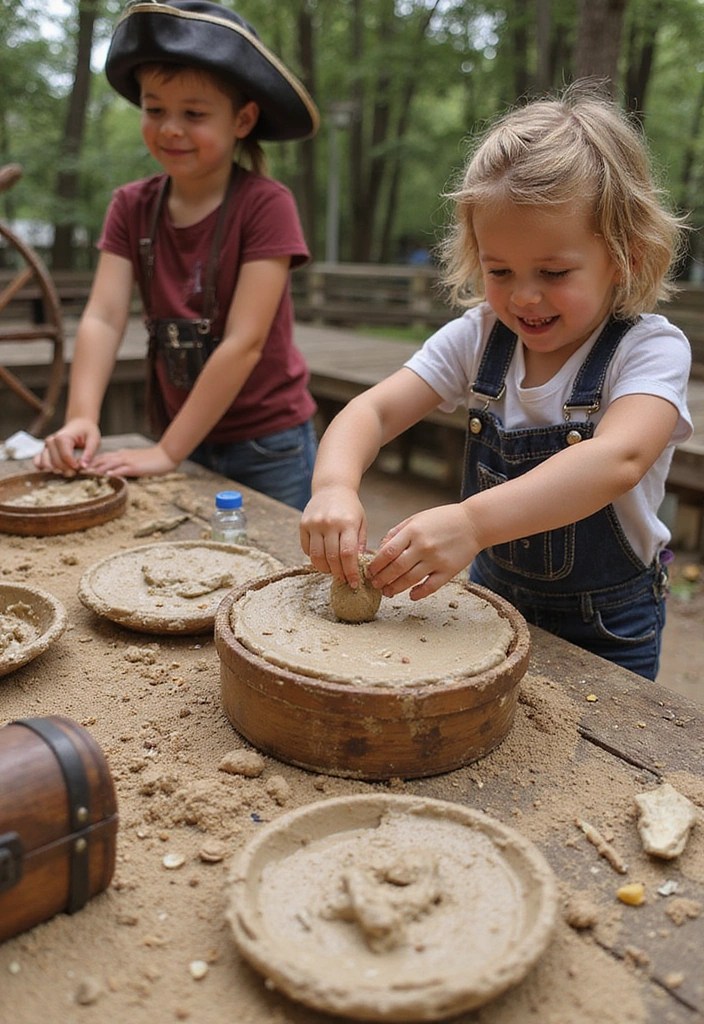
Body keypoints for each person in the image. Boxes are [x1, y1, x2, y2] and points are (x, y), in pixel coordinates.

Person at [300, 84, 693, 680]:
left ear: (627, 256)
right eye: (499, 270)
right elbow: (373, 413)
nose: (524, 295)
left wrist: (473, 522)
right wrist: (333, 485)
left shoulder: (648, 350)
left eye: (554, 271)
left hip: (608, 629)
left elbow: (619, 458)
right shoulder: (481, 337)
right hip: (491, 606)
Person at [35, 0, 319, 510]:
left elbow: (245, 342)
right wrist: (82, 415)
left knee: (275, 570)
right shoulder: (129, 207)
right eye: (154, 108)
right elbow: (102, 317)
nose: (169, 128)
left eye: (194, 113)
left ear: (243, 119)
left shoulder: (266, 205)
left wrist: (167, 451)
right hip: (175, 431)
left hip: (266, 443)